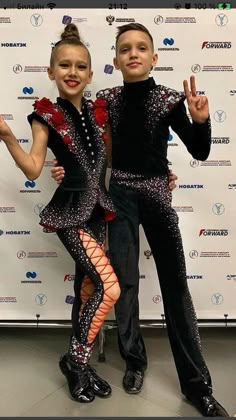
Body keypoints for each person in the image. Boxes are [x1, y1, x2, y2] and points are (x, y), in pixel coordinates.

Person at [51, 23, 229, 416]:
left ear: (153, 57)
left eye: (142, 48)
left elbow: (199, 152)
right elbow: (90, 148)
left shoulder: (168, 99)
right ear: (115, 60)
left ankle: (197, 385)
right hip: (121, 196)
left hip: (156, 194)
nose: (133, 53)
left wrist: (201, 122)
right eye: (126, 49)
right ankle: (134, 361)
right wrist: (68, 170)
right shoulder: (108, 99)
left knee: (176, 286)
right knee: (125, 281)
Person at [0, 23, 121, 403]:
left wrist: (158, 172)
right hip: (70, 212)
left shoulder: (99, 112)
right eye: (64, 66)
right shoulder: (45, 116)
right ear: (52, 72)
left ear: (90, 72)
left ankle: (81, 367)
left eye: (81, 66)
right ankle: (75, 360)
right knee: (109, 288)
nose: (73, 72)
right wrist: (6, 137)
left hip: (99, 210)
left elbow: (110, 163)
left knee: (88, 291)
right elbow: (34, 167)